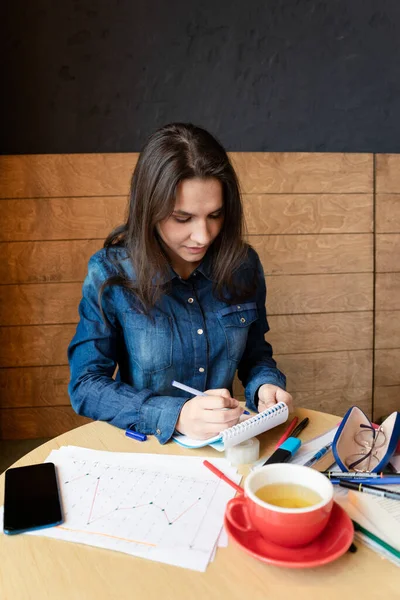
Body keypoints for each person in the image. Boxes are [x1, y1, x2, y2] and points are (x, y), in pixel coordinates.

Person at [68, 123, 292, 444]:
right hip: (146, 447)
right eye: (183, 218)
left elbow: (256, 356)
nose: (203, 236)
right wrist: (175, 414)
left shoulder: (243, 265)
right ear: (149, 210)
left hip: (226, 445)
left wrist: (266, 386)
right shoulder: (110, 272)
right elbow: (86, 384)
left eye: (215, 215)